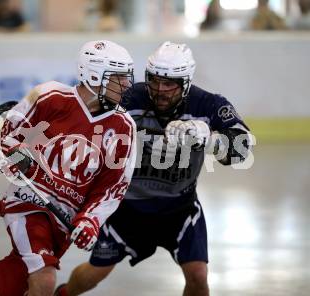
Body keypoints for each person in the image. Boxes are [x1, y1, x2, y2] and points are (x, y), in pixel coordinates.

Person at [54, 42, 253, 296]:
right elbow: (83, 115)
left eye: (170, 84)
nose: (160, 90)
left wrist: (209, 139)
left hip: (180, 209)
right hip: (127, 208)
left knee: (198, 276)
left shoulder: (208, 105)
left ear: (186, 82)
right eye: (155, 80)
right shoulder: (129, 98)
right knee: (93, 274)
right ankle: (63, 293)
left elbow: (243, 147)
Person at [0, 40, 137, 296]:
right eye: (119, 77)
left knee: (13, 284)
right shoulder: (50, 97)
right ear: (94, 75)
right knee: (44, 280)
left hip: (64, 221)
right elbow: (9, 135)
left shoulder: (124, 126)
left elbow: (112, 187)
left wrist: (90, 220)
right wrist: (16, 156)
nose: (127, 84)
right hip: (27, 203)